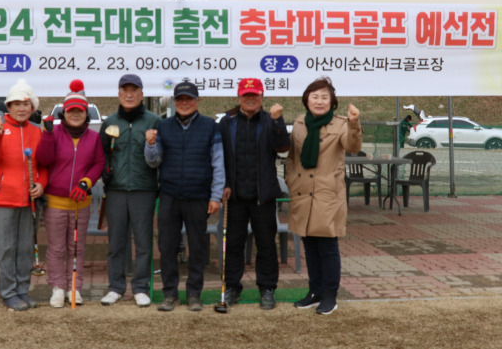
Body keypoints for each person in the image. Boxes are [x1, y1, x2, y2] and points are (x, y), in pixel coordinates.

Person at [144, 81, 225, 312]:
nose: (184, 103)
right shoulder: (163, 126)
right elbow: (153, 161)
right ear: (174, 102)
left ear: (197, 101)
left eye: (189, 99)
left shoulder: (210, 126)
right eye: (180, 99)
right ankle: (170, 294)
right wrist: (150, 145)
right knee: (167, 246)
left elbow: (218, 164)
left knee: (198, 247)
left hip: (199, 196)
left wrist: (216, 195)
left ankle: (194, 295)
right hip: (169, 195)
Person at [286, 77, 361, 315]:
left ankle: (330, 295)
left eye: (324, 97)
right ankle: (314, 291)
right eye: (315, 96)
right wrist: (290, 179)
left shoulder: (341, 124)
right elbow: (292, 157)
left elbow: (353, 147)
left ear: (332, 102)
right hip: (302, 194)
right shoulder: (299, 123)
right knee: (309, 245)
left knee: (327, 247)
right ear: (307, 100)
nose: (319, 101)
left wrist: (354, 123)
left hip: (327, 194)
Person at [218, 77, 290, 310]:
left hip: (263, 196)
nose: (250, 99)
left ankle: (267, 288)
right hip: (235, 195)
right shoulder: (226, 122)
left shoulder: (271, 120)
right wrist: (224, 184)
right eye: (246, 95)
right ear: (239, 97)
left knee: (266, 244)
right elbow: (220, 158)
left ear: (261, 97)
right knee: (234, 244)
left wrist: (279, 122)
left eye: (255, 95)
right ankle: (232, 287)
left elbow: (283, 147)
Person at [0, 79, 47, 311]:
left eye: (25, 104)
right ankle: (8, 292)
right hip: (2, 199)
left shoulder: (38, 132)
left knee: (25, 248)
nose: (20, 108)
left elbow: (44, 166)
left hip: (28, 200)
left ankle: (22, 290)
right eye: (15, 104)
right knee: (6, 247)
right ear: (8, 107)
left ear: (32, 108)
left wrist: (41, 184)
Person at [37, 80, 105, 308]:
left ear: (86, 114)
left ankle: (73, 287)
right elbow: (43, 160)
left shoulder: (94, 138)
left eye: (80, 111)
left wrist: (86, 183)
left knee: (77, 247)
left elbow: (98, 164)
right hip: (55, 202)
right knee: (57, 247)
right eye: (71, 111)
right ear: (64, 113)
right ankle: (57, 287)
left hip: (80, 201)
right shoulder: (53, 133)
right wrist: (46, 136)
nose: (75, 114)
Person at [99, 74, 160, 307]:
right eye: (125, 90)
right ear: (119, 93)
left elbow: (161, 156)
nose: (129, 94)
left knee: (144, 242)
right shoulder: (110, 122)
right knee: (116, 242)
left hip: (144, 189)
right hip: (116, 190)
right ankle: (115, 287)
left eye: (134, 90)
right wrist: (105, 170)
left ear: (142, 94)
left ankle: (140, 287)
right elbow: (102, 153)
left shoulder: (154, 121)